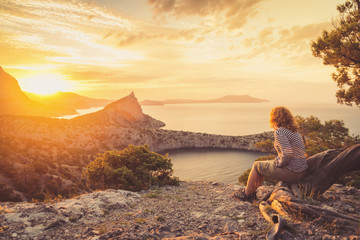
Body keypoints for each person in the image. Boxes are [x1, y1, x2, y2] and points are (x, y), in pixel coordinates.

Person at [234, 106, 308, 201]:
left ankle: (247, 194)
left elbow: (288, 153)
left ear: (274, 118)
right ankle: (252, 191)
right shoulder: (294, 131)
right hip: (301, 171)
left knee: (257, 165)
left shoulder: (280, 132)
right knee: (264, 166)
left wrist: (279, 163)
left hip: (292, 172)